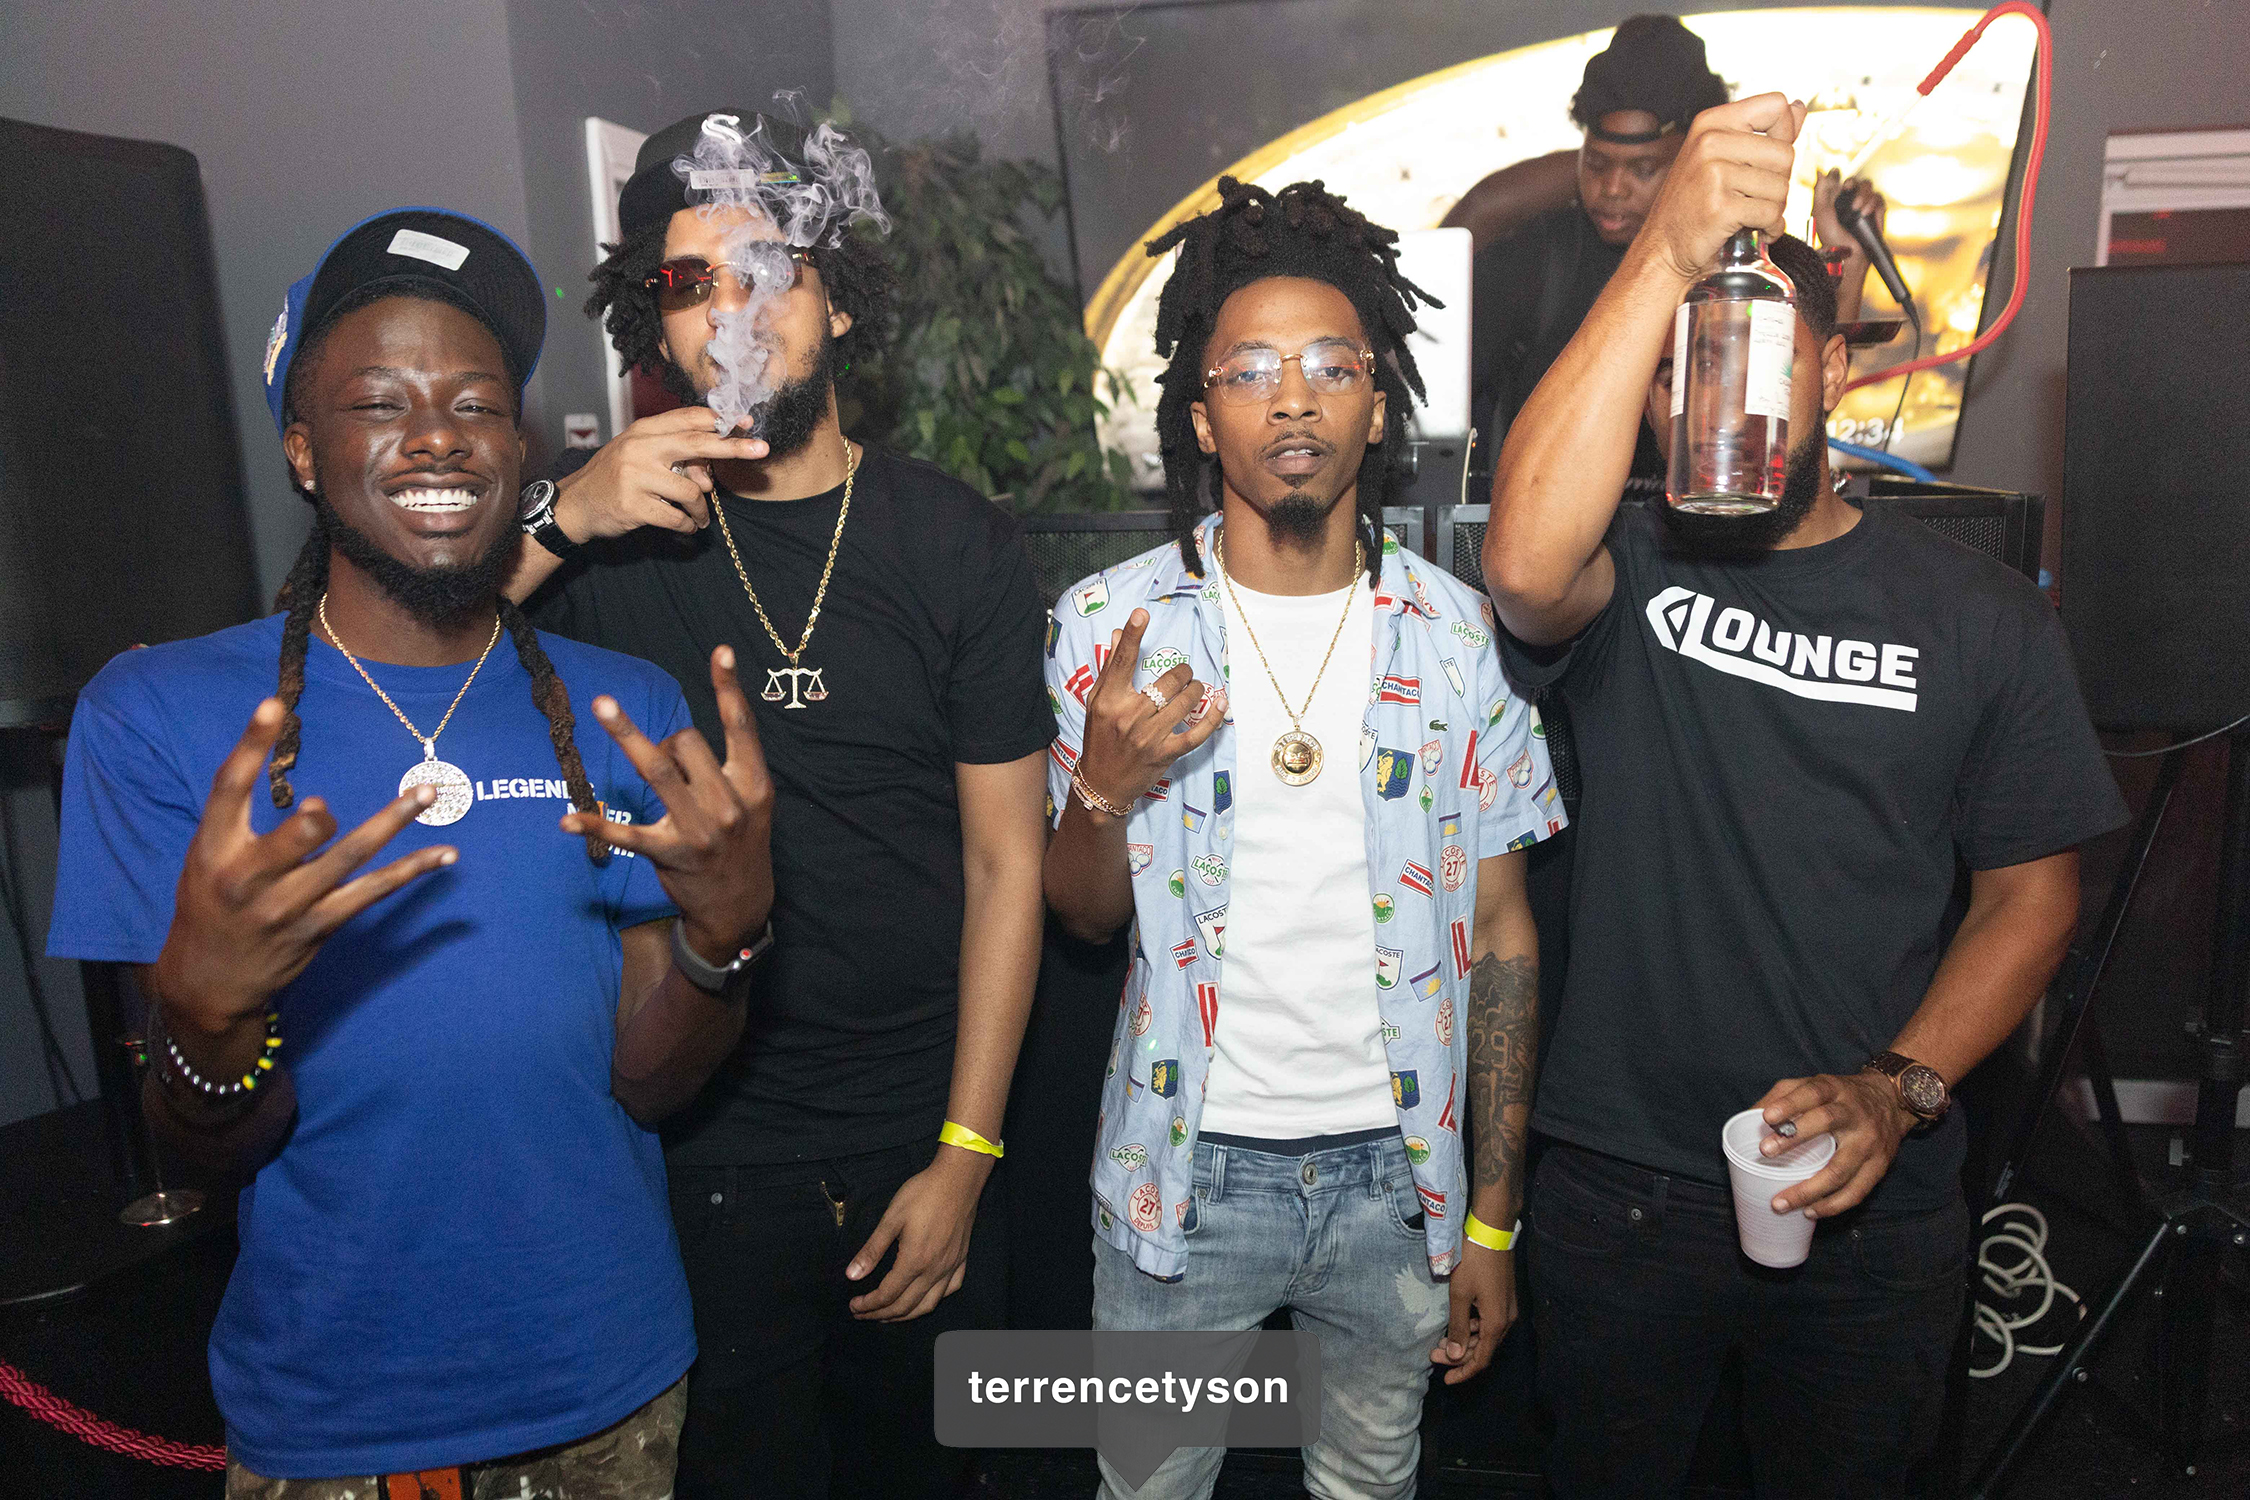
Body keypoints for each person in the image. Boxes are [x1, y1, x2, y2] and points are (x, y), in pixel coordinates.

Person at [46, 208, 776, 1497]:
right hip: (337, 1410)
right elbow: (212, 1147)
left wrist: (726, 939)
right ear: (302, 451)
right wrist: (209, 1017)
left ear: (518, 448)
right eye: (381, 403)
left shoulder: (626, 708)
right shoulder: (163, 715)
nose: (438, 434)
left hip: (607, 1381)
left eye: (476, 404)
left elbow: (648, 1084)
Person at [1480, 94, 2127, 1498]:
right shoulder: (1630, 570)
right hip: (1623, 1185)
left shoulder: (1975, 615)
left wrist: (1898, 1090)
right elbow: (1522, 567)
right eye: (1681, 368)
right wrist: (1666, 253)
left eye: (1759, 352)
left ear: (1833, 365)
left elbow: (2031, 899)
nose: (1718, 395)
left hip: (1868, 1200)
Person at [508, 107, 1054, 1499]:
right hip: (698, 1152)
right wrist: (561, 515)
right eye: (689, 281)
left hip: (925, 1137)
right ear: (655, 323)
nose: (731, 311)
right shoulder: (606, 537)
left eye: (767, 267)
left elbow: (1008, 867)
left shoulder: (956, 541)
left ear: (838, 302)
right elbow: (397, 641)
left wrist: (966, 1158)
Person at [1044, 177, 1561, 1500]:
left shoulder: (1458, 636)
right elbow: (1083, 917)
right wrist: (1101, 788)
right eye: (1252, 372)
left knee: (1369, 1484)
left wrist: (1492, 1217)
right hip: (1185, 1175)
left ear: (1378, 408)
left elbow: (1504, 932)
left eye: (1332, 367)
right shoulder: (1109, 626)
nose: (1292, 401)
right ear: (1200, 412)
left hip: (1400, 1182)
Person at [1456, 15, 1888, 476]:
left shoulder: (1744, 262)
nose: (1613, 188)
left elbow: (1798, 417)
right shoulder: (1537, 257)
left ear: (1693, 159)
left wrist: (1851, 265)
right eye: (1596, 163)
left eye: (1643, 169)